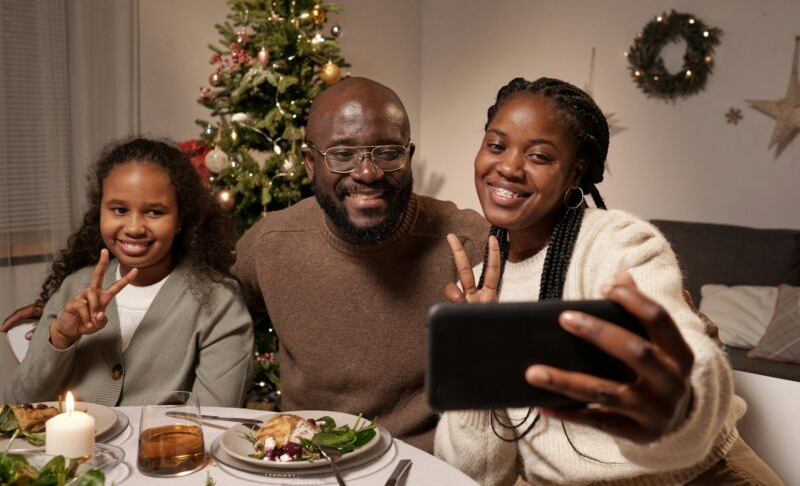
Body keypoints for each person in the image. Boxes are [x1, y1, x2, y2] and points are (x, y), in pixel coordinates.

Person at [435, 77, 783, 485]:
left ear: (575, 173)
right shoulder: (481, 290)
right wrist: (478, 367)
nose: (509, 167)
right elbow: (475, 475)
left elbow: (685, 348)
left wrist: (681, 407)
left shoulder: (620, 243)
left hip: (700, 474)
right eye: (496, 146)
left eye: (540, 156)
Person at [231, 77, 488, 452]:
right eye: (342, 154)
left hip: (422, 465)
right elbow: (209, 326)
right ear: (309, 163)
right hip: (305, 459)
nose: (367, 173)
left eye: (387, 152)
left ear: (408, 155)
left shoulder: (465, 243)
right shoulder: (270, 244)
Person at [5, 138, 254, 407]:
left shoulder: (218, 303)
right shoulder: (73, 288)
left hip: (164, 449)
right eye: (119, 210)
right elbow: (19, 405)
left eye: (154, 212)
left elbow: (214, 419)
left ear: (180, 219)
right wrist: (61, 337)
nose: (134, 227)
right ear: (99, 210)